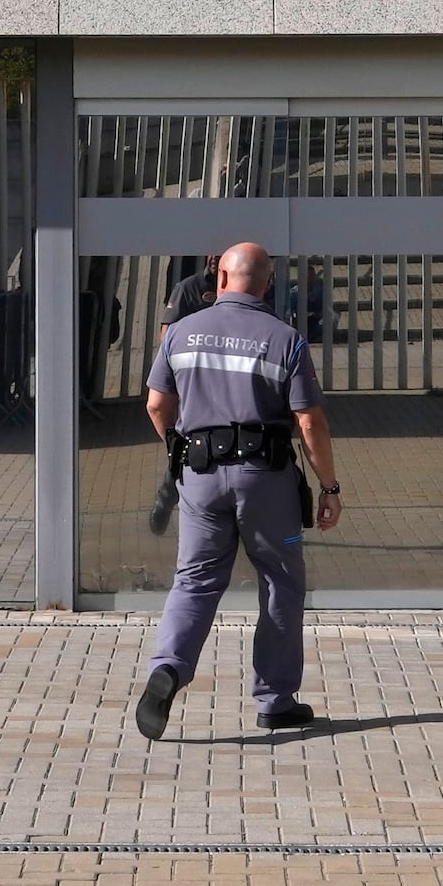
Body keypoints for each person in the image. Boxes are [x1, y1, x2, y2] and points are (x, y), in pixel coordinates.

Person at [132, 240, 340, 739]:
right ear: (267, 283)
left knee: (195, 581)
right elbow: (309, 421)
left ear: (221, 279)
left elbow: (156, 405)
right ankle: (275, 700)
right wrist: (328, 486)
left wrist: (181, 451)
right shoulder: (284, 338)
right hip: (264, 480)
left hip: (200, 477)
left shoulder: (180, 332)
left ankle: (167, 669)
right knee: (281, 584)